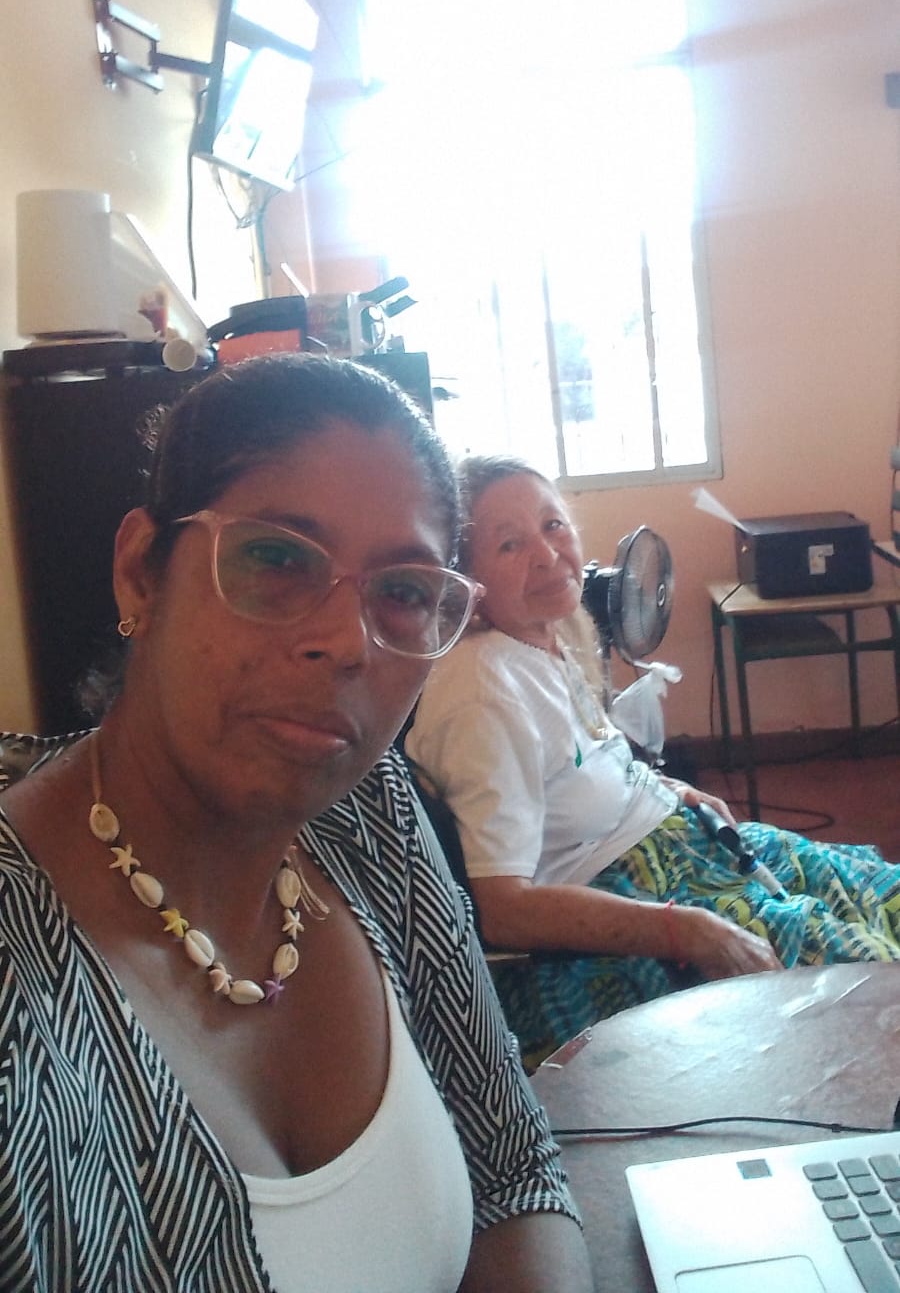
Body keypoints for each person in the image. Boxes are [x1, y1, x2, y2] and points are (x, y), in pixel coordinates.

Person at [0, 361, 593, 1293]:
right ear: (140, 573)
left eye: (403, 592)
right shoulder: (25, 1010)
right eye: (276, 559)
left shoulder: (366, 811)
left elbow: (513, 1166)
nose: (347, 641)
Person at [405, 454, 900, 1066]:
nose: (548, 554)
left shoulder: (541, 637)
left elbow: (582, 764)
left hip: (682, 852)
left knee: (876, 892)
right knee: (872, 983)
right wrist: (685, 928)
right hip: (630, 909)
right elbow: (504, 909)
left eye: (553, 525)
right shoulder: (483, 691)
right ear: (466, 581)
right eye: (510, 544)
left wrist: (666, 790)